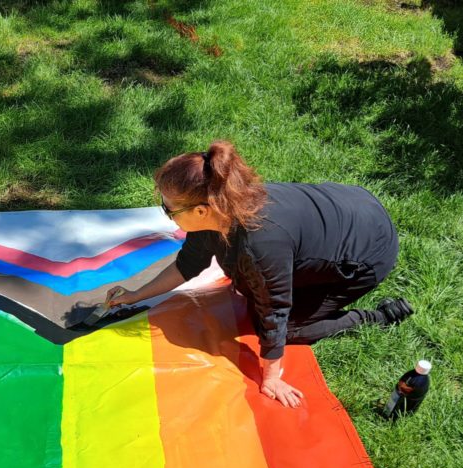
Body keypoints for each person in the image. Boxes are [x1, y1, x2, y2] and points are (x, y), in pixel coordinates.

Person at [106, 141, 413, 408]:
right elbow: (188, 264)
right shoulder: (222, 202)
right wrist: (134, 295)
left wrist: (272, 378)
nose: (166, 213)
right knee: (247, 284)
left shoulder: (259, 246)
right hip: (354, 205)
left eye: (168, 209)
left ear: (201, 210)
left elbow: (275, 311)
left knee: (287, 327)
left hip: (369, 252)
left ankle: (378, 317)